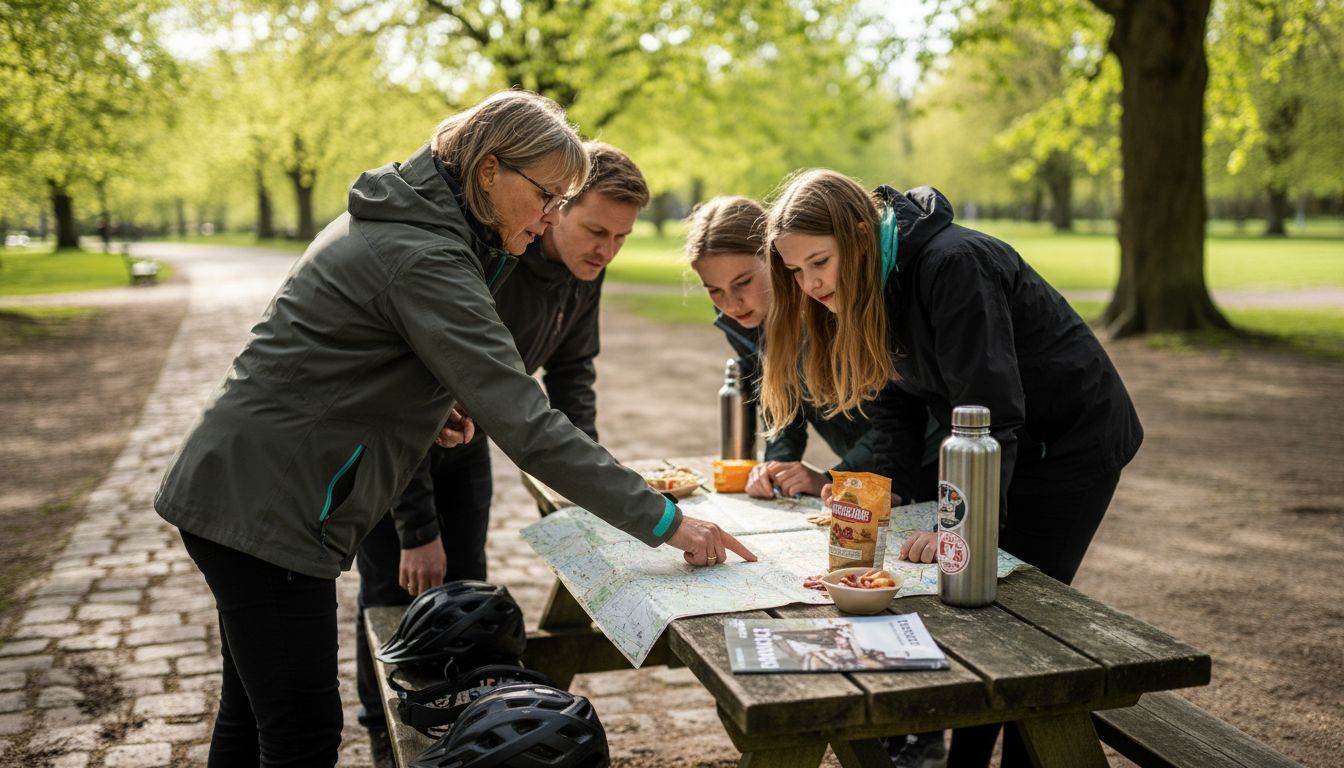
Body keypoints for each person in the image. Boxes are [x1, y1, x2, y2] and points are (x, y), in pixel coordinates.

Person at [154, 90, 755, 767]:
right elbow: (525, 421)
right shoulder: (426, 253)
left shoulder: (420, 224)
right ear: (490, 171)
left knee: (251, 714)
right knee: (301, 735)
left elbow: (359, 366)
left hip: (246, 486)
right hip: (266, 505)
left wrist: (429, 408)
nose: (555, 214)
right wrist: (667, 521)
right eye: (548, 195)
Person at [759, 168, 1142, 767]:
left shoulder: (952, 264)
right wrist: (879, 504)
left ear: (860, 233)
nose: (809, 285)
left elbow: (990, 411)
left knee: (1015, 616)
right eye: (796, 271)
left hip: (1068, 444)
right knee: (968, 603)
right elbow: (897, 412)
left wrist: (957, 528)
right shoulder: (872, 278)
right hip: (992, 439)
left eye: (819, 263)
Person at [353, 141, 649, 737]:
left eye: (621, 238)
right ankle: (386, 733)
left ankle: (460, 726)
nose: (607, 250)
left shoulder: (585, 272)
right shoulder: (495, 258)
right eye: (596, 230)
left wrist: (586, 481)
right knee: (395, 597)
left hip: (467, 446)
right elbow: (401, 400)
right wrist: (418, 530)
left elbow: (572, 378)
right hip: (393, 454)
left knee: (468, 599)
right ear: (557, 207)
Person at [686, 196, 942, 502]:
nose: (730, 303)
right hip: (858, 481)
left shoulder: (832, 304)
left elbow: (905, 412)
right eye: (714, 290)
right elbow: (781, 401)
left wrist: (833, 476)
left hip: (925, 471)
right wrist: (778, 465)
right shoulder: (743, 323)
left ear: (776, 259)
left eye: (743, 281)